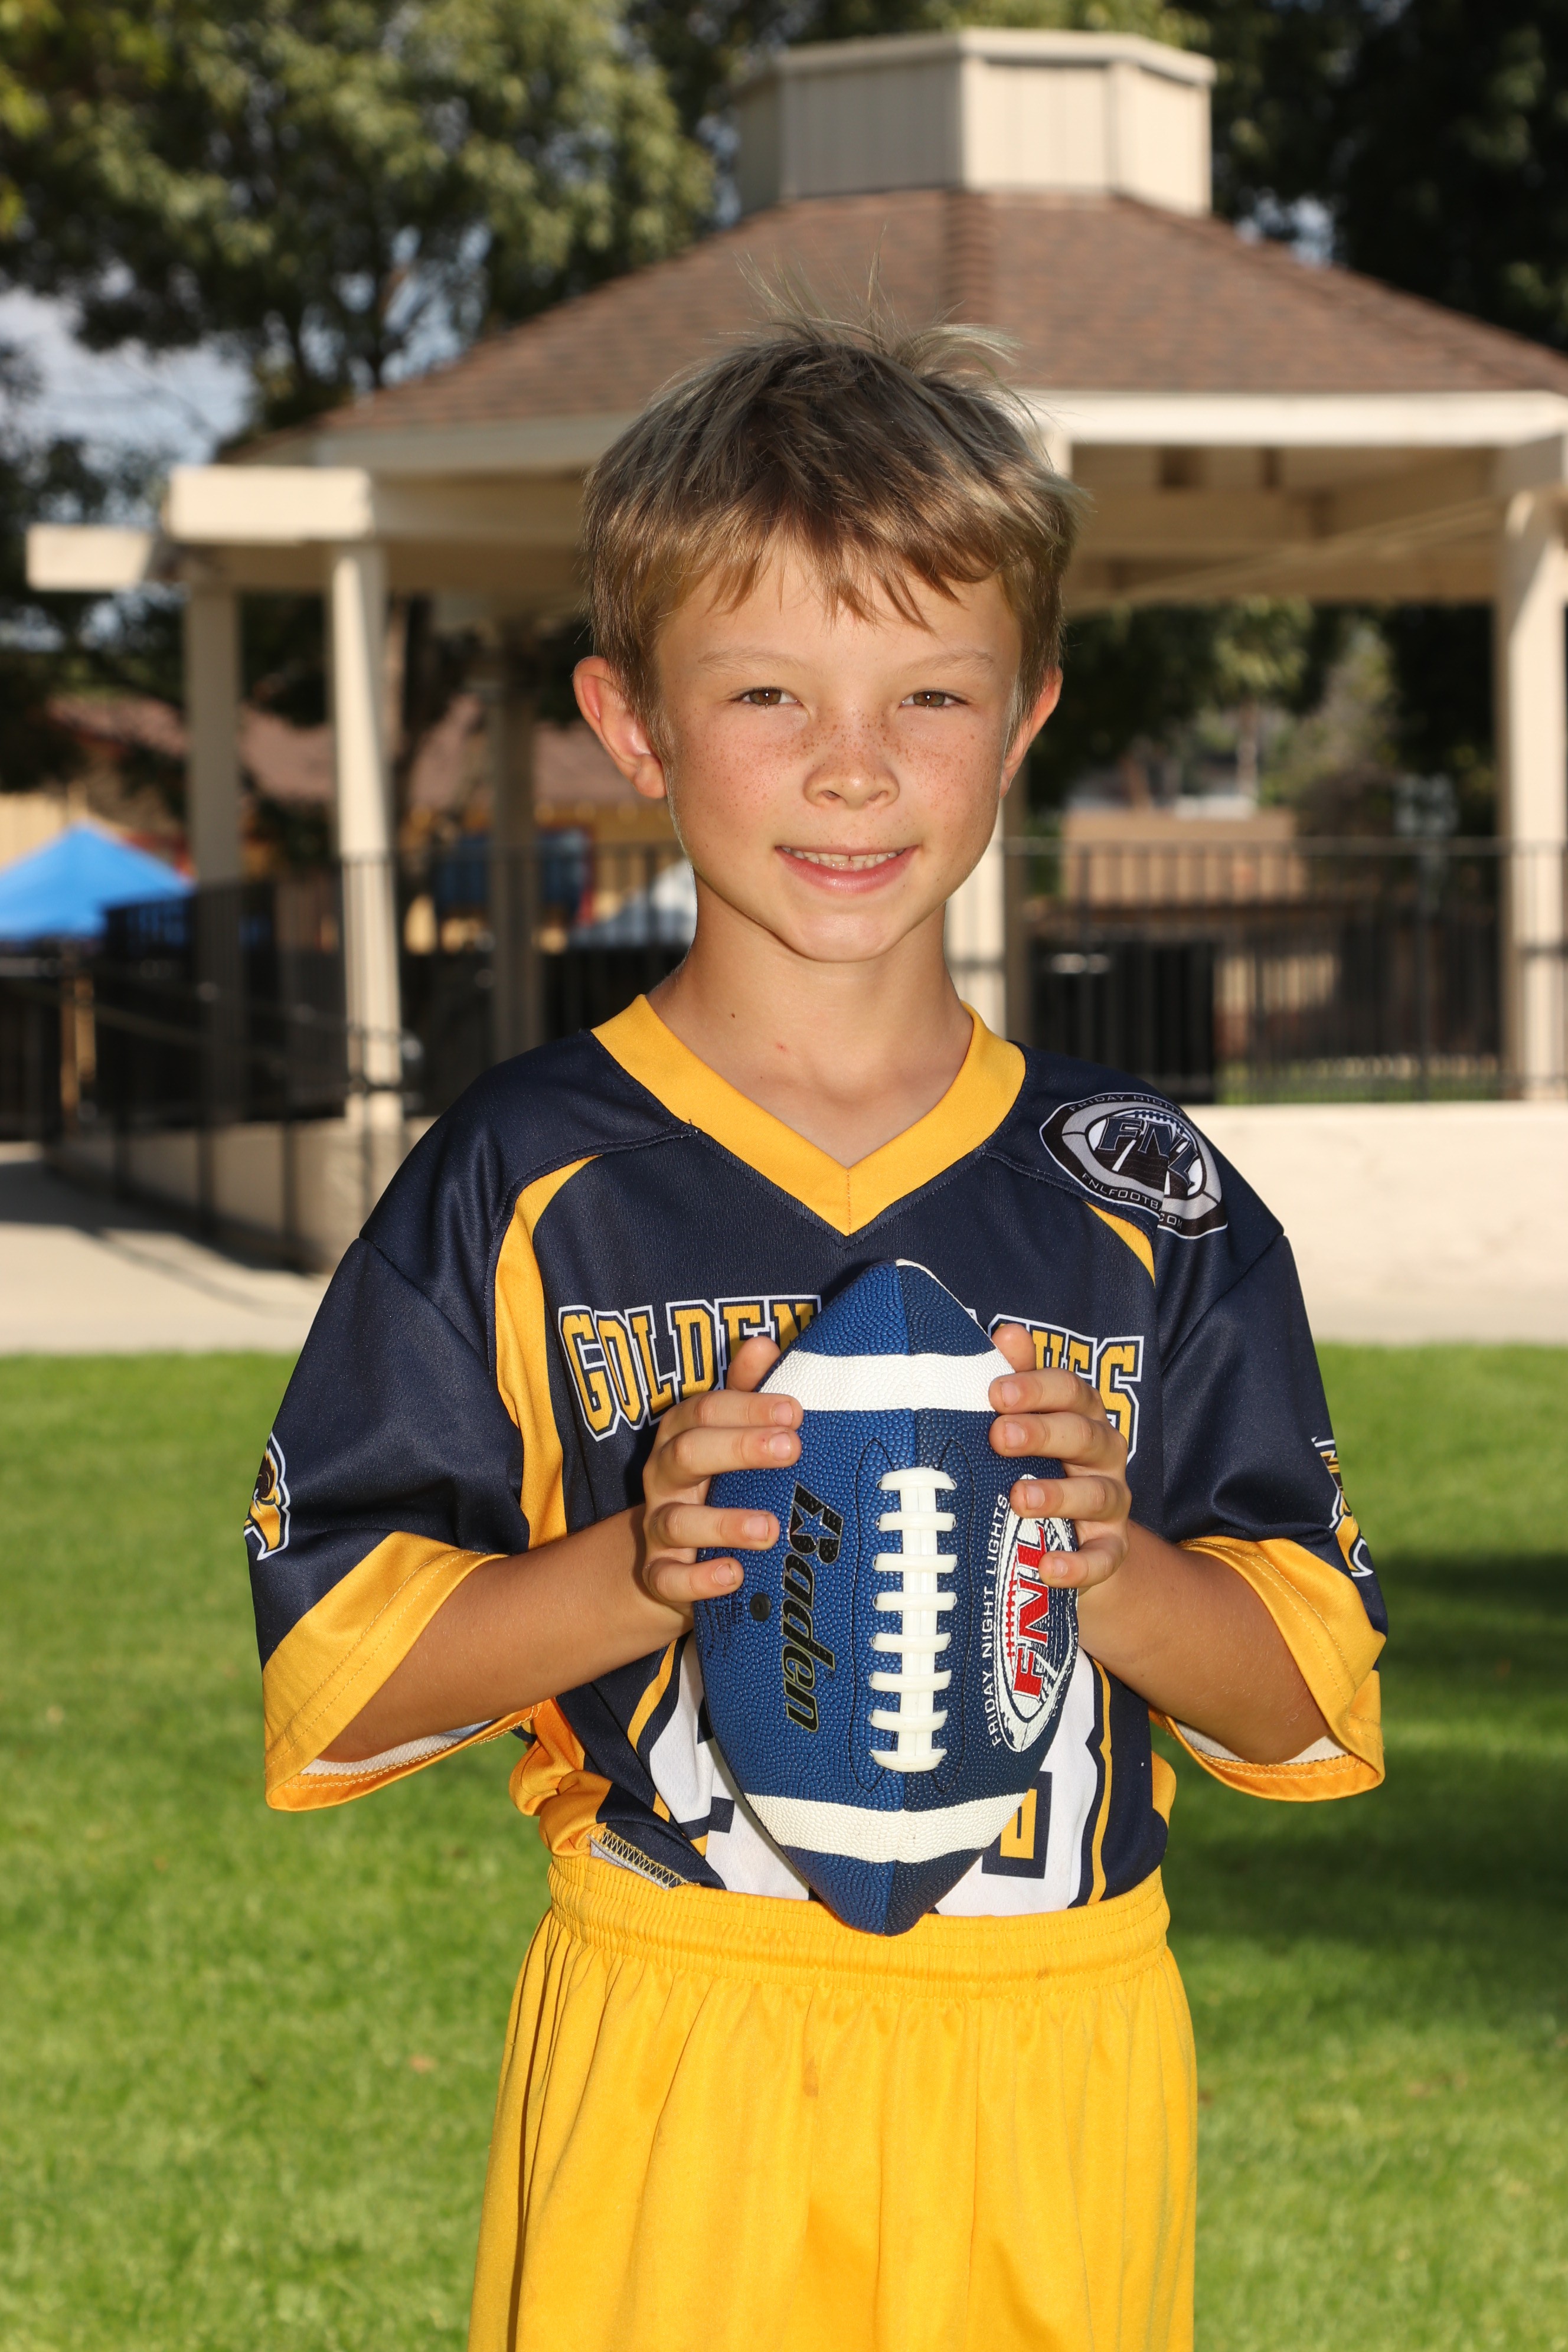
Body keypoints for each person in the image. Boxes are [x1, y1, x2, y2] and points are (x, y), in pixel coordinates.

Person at [244, 305, 1386, 2352]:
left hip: (1053, 2052)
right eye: (768, 690)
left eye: (928, 694)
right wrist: (637, 1566)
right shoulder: (529, 1174)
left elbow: (1305, 1705)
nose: (854, 766)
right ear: (631, 722)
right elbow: (340, 1687)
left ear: (1026, 720)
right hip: (682, 2042)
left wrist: (1113, 1572)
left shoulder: (1141, 1194)